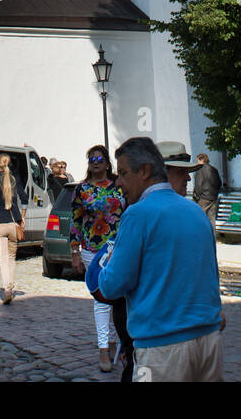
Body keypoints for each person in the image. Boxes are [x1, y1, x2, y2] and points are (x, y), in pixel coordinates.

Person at [88, 136, 225, 383]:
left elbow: (112, 285)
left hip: (162, 347)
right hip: (209, 340)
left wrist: (106, 263)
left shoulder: (137, 214)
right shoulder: (196, 211)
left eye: (123, 173)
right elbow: (211, 277)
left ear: (145, 171)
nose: (119, 182)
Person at [70, 145, 126, 371]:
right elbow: (75, 222)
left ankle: (114, 342)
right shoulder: (82, 189)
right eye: (91, 159)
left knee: (117, 299)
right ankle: (104, 348)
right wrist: (74, 251)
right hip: (92, 251)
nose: (95, 162)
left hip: (119, 249)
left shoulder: (119, 187)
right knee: (102, 299)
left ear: (107, 162)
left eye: (100, 159)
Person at [0, 153, 28, 304]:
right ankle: (10, 286)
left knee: (2, 259)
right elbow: (25, 198)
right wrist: (22, 217)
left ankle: (7, 288)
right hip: (13, 222)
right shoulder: (15, 179)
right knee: (11, 258)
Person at [193, 152, 222, 230]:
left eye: (198, 160)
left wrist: (196, 197)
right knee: (211, 220)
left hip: (203, 198)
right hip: (213, 198)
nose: (197, 162)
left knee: (199, 219)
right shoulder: (214, 170)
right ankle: (212, 238)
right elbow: (219, 183)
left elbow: (198, 186)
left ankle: (201, 238)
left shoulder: (200, 170)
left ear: (201, 159)